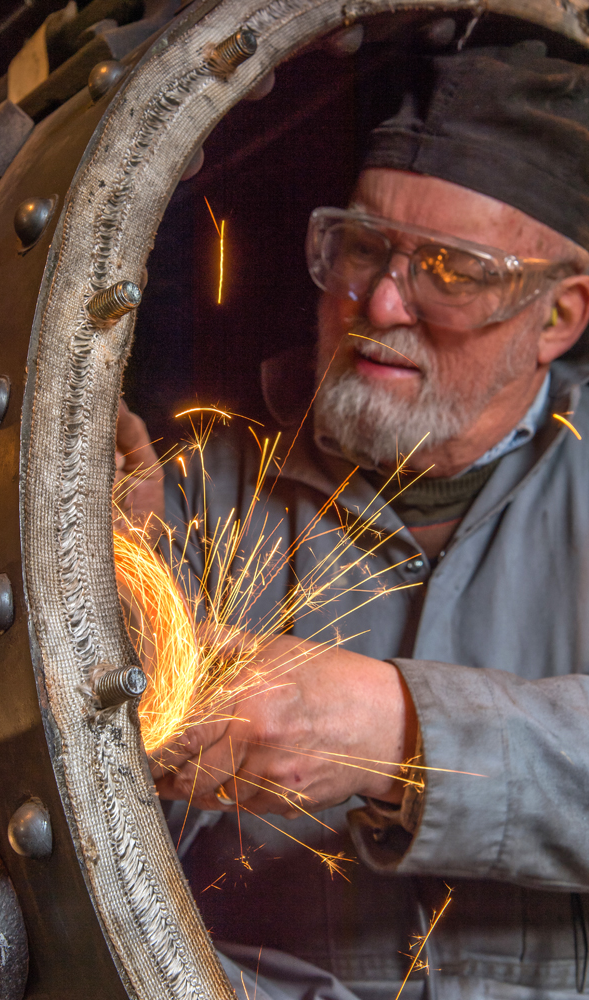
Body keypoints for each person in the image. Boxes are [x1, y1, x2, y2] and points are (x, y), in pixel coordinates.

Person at [117, 40, 589, 1000]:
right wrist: (99, 585)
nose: (379, 302)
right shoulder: (196, 500)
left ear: (558, 316)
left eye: (453, 271)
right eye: (363, 246)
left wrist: (396, 731)